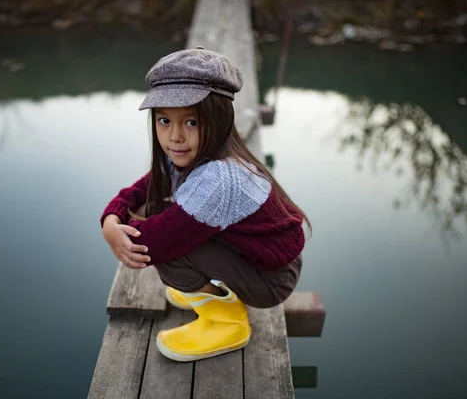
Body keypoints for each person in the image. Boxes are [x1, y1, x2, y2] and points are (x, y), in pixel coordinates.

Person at [100, 47, 310, 362]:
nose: (175, 137)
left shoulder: (218, 179)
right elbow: (141, 189)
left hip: (271, 278)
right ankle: (208, 291)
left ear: (219, 120)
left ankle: (227, 319)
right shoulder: (189, 156)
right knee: (159, 207)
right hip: (258, 255)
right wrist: (110, 221)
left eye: (192, 122)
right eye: (164, 120)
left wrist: (120, 232)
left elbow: (152, 244)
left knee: (169, 254)